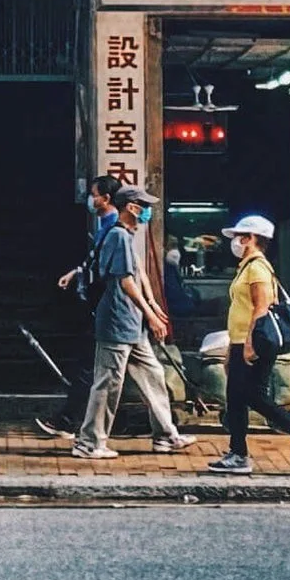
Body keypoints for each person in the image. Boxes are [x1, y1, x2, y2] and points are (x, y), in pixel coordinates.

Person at [72, 186, 196, 460]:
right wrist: (150, 314)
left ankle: (166, 435)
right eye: (143, 205)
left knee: (153, 374)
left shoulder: (125, 236)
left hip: (132, 323)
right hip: (117, 320)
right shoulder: (118, 236)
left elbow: (139, 274)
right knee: (108, 383)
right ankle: (89, 442)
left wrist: (151, 307)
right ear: (131, 207)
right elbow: (125, 281)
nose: (147, 211)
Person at [205, 215, 290, 476]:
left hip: (253, 344)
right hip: (240, 343)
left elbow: (261, 307)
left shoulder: (257, 267)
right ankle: (238, 454)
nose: (235, 242)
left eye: (240, 236)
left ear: (251, 239)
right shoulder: (246, 267)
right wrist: (231, 349)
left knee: (251, 396)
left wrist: (250, 344)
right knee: (237, 399)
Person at [36, 175, 125, 438]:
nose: (90, 198)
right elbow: (93, 261)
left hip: (107, 309)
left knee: (91, 368)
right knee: (121, 371)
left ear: (106, 199)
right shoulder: (104, 226)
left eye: (94, 194)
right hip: (103, 307)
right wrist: (76, 272)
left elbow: (114, 271)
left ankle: (70, 420)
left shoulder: (114, 229)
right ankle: (160, 428)